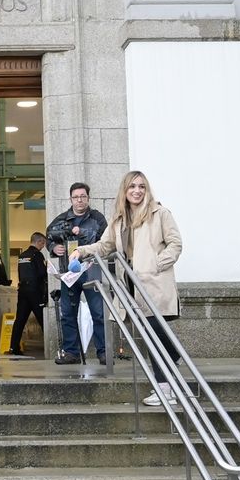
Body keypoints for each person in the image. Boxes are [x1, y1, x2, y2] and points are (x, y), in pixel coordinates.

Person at [75, 171, 183, 405]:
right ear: (124, 191)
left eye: (142, 186)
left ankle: (165, 388)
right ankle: (173, 360)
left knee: (153, 333)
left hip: (154, 283)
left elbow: (175, 244)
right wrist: (81, 251)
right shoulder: (118, 220)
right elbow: (105, 246)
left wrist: (157, 263)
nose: (137, 191)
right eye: (132, 186)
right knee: (152, 334)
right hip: (132, 285)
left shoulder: (160, 213)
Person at [47, 182, 108, 365]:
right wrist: (53, 247)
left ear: (88, 198)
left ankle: (104, 352)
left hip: (92, 271)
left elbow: (106, 241)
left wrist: (81, 232)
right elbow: (49, 236)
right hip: (69, 274)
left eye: (83, 196)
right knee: (68, 313)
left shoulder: (98, 218)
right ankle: (71, 353)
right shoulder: (61, 219)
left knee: (98, 313)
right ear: (70, 199)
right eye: (76, 197)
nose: (79, 200)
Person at [9, 233, 49, 356]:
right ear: (39, 242)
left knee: (20, 320)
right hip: (35, 291)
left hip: (23, 291)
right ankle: (51, 346)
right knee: (42, 319)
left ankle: (13, 347)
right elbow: (42, 273)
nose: (43, 246)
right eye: (43, 243)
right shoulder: (37, 255)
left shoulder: (22, 256)